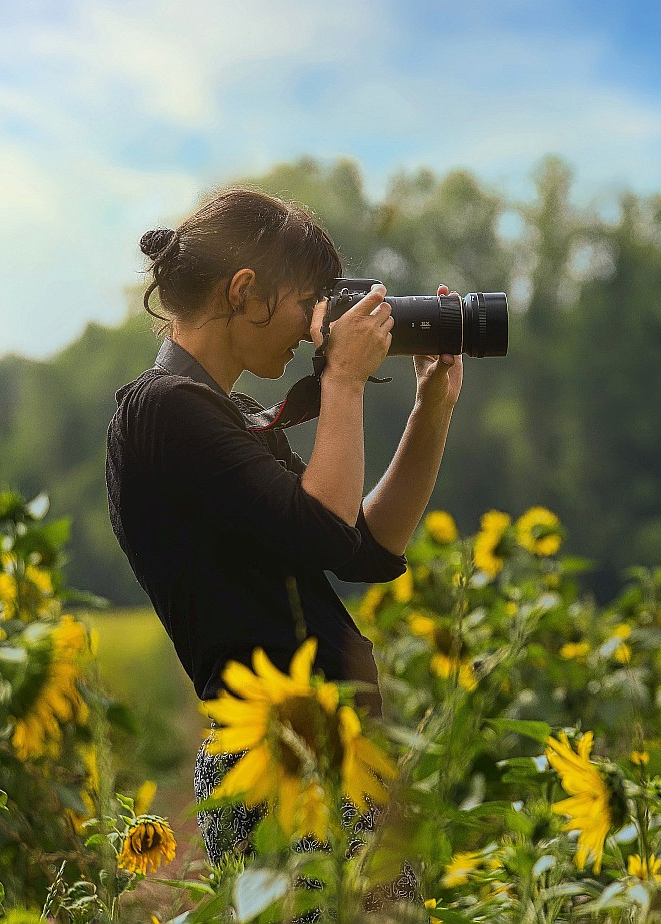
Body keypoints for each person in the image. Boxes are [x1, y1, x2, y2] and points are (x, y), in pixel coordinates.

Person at [104, 187, 463, 918]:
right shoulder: (164, 407)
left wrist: (432, 409)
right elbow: (325, 529)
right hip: (281, 765)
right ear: (244, 292)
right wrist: (342, 380)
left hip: (325, 753)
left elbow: (360, 548)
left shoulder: (216, 414)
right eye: (308, 305)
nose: (312, 331)